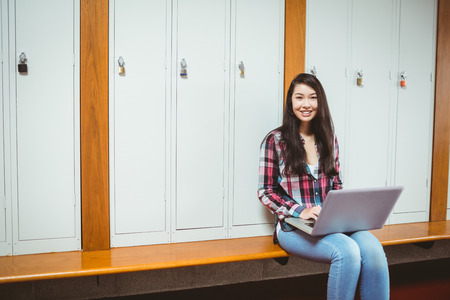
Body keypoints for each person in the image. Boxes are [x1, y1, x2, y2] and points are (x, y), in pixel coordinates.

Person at [258, 73, 389, 300]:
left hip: (331, 222)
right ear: (291, 103)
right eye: (299, 98)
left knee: (374, 249)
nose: (306, 104)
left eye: (312, 98)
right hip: (294, 226)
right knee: (347, 252)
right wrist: (302, 211)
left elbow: (336, 181)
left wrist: (342, 211)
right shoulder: (275, 140)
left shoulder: (328, 137)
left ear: (320, 102)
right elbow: (266, 191)